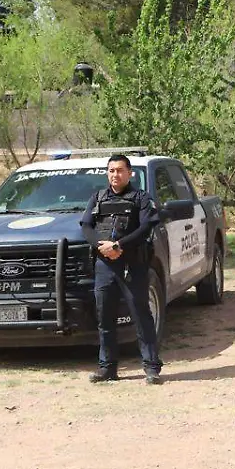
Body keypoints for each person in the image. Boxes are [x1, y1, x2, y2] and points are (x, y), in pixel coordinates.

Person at [80, 154, 163, 384]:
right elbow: (86, 226)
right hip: (105, 266)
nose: (115, 175)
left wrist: (119, 245)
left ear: (129, 173)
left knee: (141, 316)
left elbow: (146, 227)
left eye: (119, 170)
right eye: (111, 171)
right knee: (105, 318)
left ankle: (151, 368)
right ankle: (107, 368)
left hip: (132, 265)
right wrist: (102, 246)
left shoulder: (141, 199)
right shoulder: (97, 198)